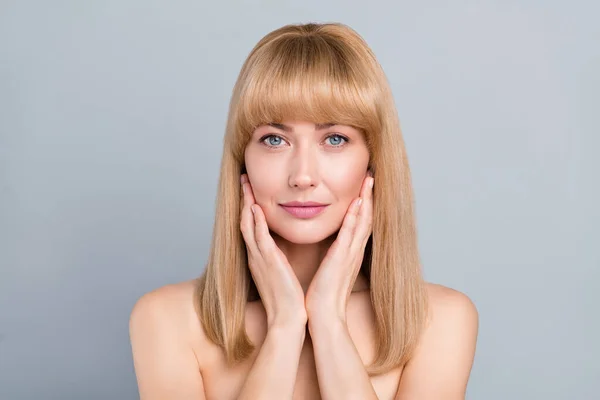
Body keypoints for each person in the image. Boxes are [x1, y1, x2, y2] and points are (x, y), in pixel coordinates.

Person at [129, 22, 479, 399]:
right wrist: (284, 326)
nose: (303, 176)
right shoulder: (166, 320)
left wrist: (328, 320)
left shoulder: (439, 321)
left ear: (373, 161)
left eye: (334, 139)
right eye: (274, 139)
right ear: (242, 160)